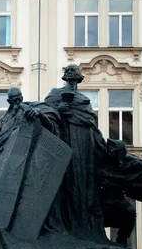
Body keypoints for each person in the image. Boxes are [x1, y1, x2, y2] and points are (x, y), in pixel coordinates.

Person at [43, 64, 107, 239]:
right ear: (65, 79)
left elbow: (91, 123)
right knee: (67, 181)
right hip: (64, 141)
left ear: (78, 79)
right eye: (68, 78)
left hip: (85, 145)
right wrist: (59, 110)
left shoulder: (84, 100)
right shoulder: (56, 94)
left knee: (85, 183)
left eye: (74, 79)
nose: (71, 82)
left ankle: (84, 225)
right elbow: (45, 112)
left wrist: (100, 145)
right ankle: (66, 224)